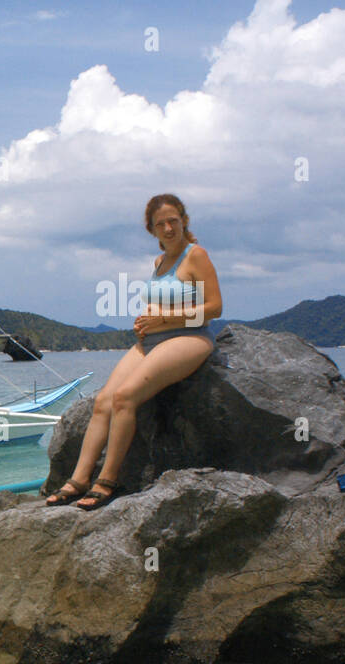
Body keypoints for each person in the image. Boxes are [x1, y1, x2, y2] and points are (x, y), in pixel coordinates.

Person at [45, 194, 222, 510]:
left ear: (184, 221)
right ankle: (79, 479)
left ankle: (107, 481)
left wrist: (162, 319)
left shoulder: (196, 255)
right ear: (152, 231)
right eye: (160, 224)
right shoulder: (159, 262)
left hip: (190, 338)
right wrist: (145, 322)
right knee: (102, 402)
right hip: (151, 341)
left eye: (173, 221)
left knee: (125, 398)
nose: (168, 228)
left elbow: (213, 309)